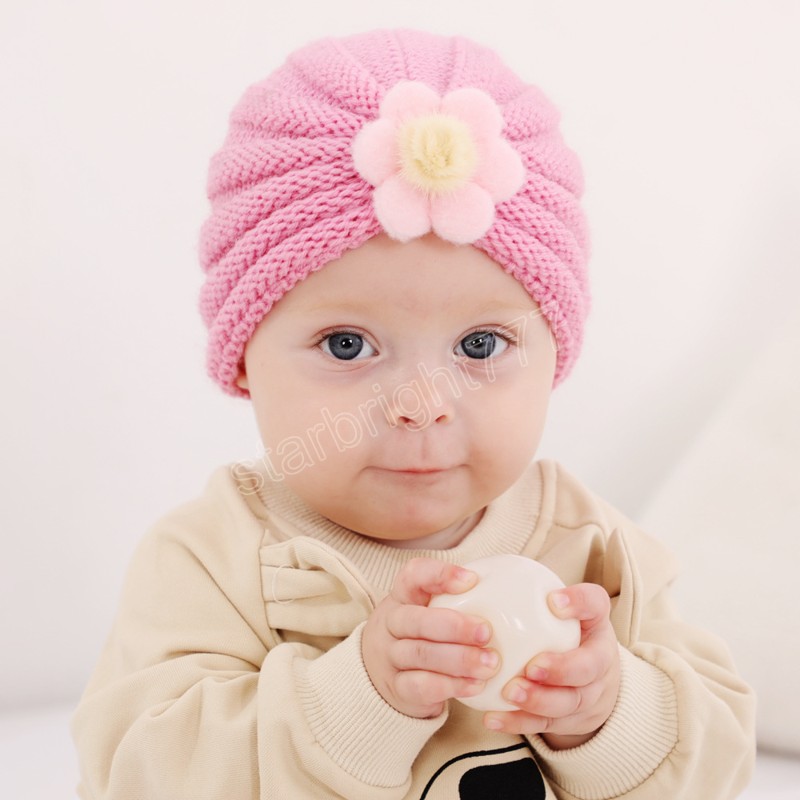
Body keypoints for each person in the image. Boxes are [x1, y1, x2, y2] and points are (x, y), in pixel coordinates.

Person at [71, 28, 755, 799]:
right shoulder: (212, 562)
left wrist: (606, 715)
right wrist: (359, 701)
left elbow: (722, 763)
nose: (421, 407)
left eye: (481, 343)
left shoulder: (589, 546)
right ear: (244, 362)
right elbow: (139, 773)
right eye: (346, 345)